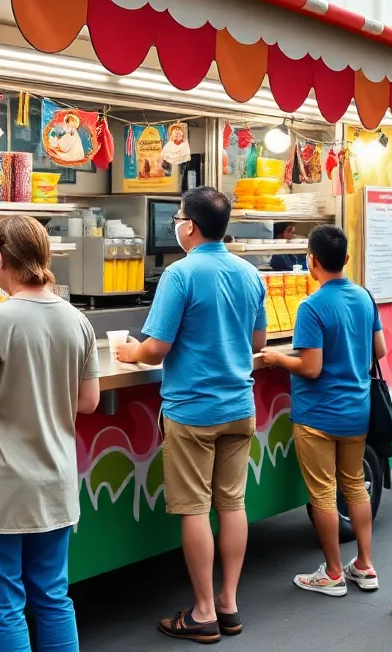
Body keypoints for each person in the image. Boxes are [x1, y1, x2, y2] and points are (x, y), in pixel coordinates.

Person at [116, 187, 267, 644]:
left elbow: (156, 348)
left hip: (192, 411)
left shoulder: (179, 274)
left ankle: (202, 612)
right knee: (233, 504)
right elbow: (257, 343)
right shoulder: (250, 273)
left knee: (196, 508)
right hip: (239, 406)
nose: (176, 225)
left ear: (191, 227)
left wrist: (131, 351)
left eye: (178, 218)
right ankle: (228, 603)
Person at [0, 216, 102, 652]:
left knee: (4, 605)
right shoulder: (77, 320)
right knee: (53, 597)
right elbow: (88, 401)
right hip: (54, 483)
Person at [261, 225, 386, 596]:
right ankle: (365, 565)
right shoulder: (364, 297)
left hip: (317, 415)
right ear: (345, 258)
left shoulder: (311, 306)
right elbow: (379, 351)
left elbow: (311, 367)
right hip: (356, 410)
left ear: (311, 261)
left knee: (323, 494)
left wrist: (278, 359)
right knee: (355, 486)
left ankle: (332, 573)